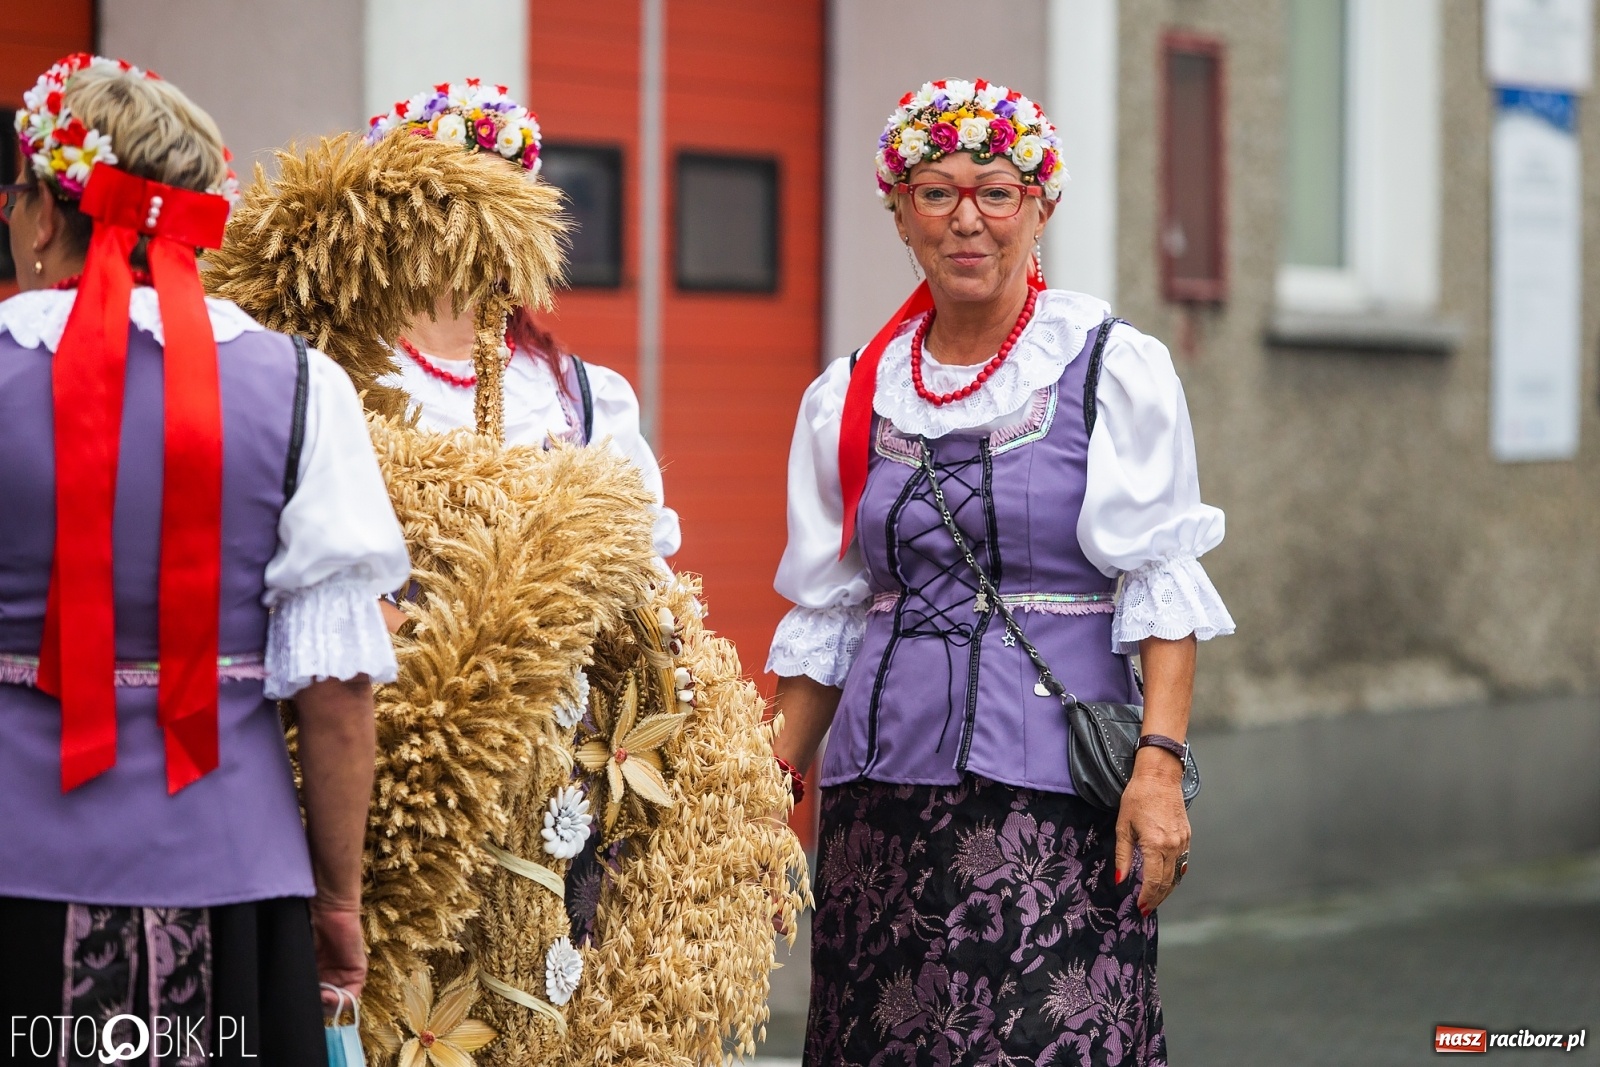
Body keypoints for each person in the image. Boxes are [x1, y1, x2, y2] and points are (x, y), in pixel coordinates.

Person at [766, 77, 1235, 1064]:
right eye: (936, 193)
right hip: (879, 797)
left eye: (996, 192)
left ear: (1040, 207)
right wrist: (768, 792)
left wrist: (1159, 767)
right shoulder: (851, 391)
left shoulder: (1108, 367)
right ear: (901, 213)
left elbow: (1160, 580)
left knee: (1043, 1037)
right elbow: (830, 610)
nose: (966, 219)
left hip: (1051, 796)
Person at [0, 54, 409, 1063]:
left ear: (45, 215)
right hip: (231, 876)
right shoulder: (302, 386)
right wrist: (339, 900)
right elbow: (338, 691)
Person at [364, 81, 680, 561]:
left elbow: (637, 560)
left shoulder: (578, 394)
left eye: (509, 202)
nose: (489, 224)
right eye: (459, 198)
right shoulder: (339, 373)